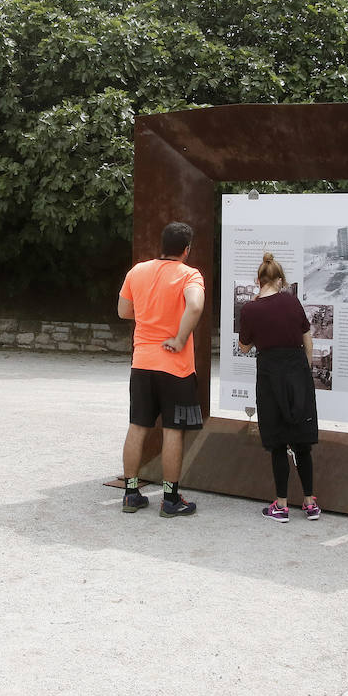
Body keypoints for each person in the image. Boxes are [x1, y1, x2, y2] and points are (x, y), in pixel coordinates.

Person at [118, 221, 206, 517]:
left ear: (162, 244)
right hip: (175, 367)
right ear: (186, 249)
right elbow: (195, 306)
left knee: (138, 426)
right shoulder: (189, 275)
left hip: (142, 362)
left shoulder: (137, 271)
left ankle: (131, 493)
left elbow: (123, 311)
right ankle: (170, 499)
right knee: (173, 430)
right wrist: (180, 338)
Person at [238, 253, 320, 522]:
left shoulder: (249, 310)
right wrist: (304, 372)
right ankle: (310, 503)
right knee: (302, 442)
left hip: (270, 374)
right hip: (297, 370)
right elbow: (307, 340)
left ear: (258, 280)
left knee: (277, 442)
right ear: (281, 279)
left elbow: (244, 346)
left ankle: (281, 506)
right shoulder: (292, 301)